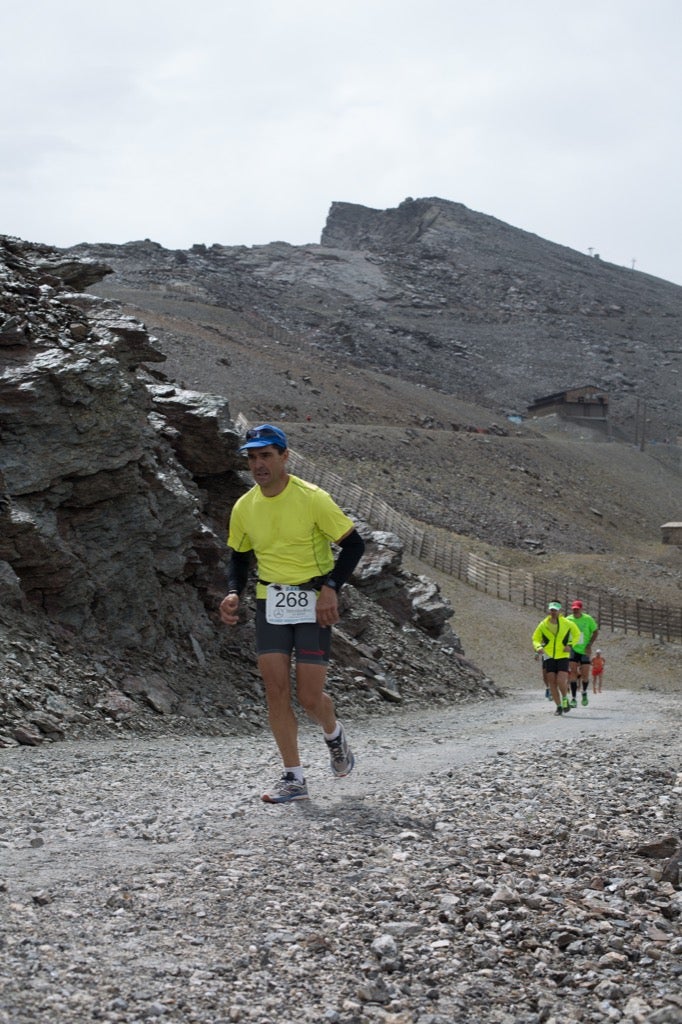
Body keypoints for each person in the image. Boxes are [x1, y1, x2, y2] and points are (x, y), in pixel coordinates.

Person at [219, 423, 366, 804]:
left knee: (310, 697)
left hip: (313, 601)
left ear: (285, 456)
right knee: (275, 689)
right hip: (271, 601)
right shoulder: (244, 506)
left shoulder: (313, 498)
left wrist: (332, 588)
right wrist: (233, 591)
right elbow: (238, 554)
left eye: (266, 455)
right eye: (252, 457)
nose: (258, 464)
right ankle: (294, 778)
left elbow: (354, 545)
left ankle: (334, 735)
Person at [532, 602, 581, 716]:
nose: (553, 612)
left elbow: (577, 634)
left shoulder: (567, 623)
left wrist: (570, 645)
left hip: (563, 655)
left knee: (560, 680)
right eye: (551, 610)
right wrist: (538, 647)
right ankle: (558, 706)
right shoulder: (543, 624)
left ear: (559, 611)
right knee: (552, 682)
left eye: (555, 610)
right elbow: (535, 638)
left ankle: (565, 698)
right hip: (548, 655)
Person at [566, 600, 600, 707]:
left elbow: (595, 631)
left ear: (581, 609)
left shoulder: (588, 619)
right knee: (573, 673)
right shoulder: (568, 619)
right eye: (574, 609)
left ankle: (584, 693)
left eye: (577, 609)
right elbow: (563, 632)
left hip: (585, 649)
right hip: (573, 649)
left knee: (585, 674)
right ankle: (573, 698)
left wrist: (589, 644)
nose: (575, 610)